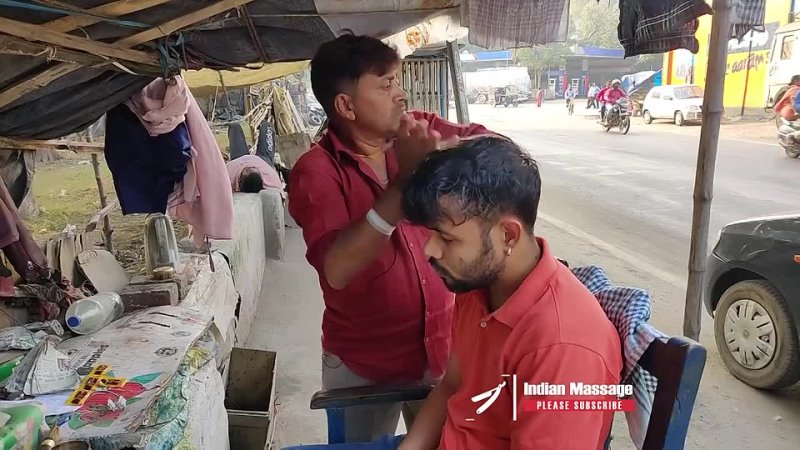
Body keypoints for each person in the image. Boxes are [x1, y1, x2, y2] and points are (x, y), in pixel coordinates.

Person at [288, 33, 491, 443]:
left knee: (442, 444)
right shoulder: (317, 171)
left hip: (442, 353)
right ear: (346, 105)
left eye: (397, 81)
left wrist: (454, 151)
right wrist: (403, 184)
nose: (401, 95)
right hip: (363, 367)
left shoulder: (416, 132)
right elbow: (339, 269)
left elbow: (496, 144)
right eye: (385, 85)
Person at [397, 136, 622, 450]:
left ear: (508, 235)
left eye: (447, 239)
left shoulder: (562, 345)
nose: (429, 249)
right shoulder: (476, 285)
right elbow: (452, 385)